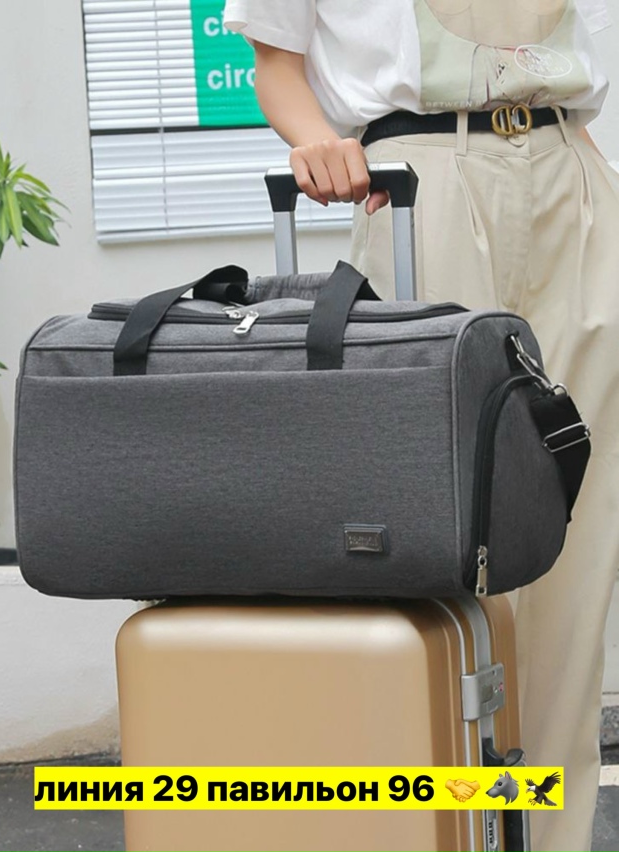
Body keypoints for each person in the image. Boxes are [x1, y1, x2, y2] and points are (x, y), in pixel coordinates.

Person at [222, 2, 619, 851]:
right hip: (418, 180)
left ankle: (553, 839)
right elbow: (275, 59)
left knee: (576, 552)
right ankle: (438, 830)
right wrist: (318, 144)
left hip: (573, 173)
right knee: (435, 543)